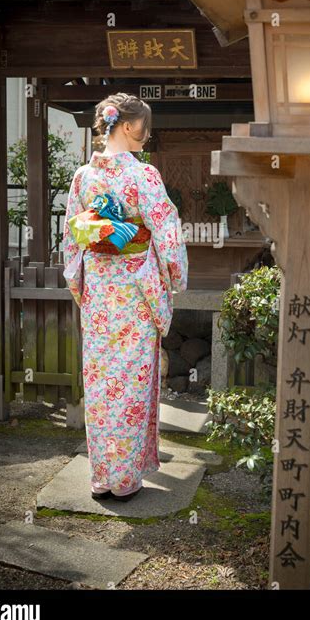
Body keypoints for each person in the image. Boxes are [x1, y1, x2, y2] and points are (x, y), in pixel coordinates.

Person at [62, 93, 188, 502]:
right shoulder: (144, 175)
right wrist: (175, 276)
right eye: (144, 127)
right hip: (135, 290)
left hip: (99, 289)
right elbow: (166, 232)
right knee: (130, 383)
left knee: (101, 383)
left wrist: (76, 282)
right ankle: (125, 478)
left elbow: (72, 236)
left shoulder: (83, 176)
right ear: (130, 127)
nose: (146, 135)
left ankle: (101, 476)